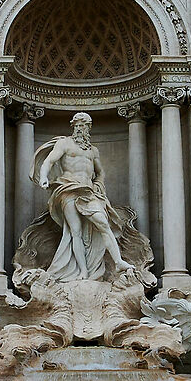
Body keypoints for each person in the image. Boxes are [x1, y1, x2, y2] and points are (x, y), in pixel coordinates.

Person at [32, 113, 128, 282]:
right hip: (68, 188)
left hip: (88, 192)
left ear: (88, 128)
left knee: (103, 223)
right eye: (76, 125)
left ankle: (118, 261)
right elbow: (49, 161)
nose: (79, 128)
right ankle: (83, 270)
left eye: (83, 125)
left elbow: (100, 172)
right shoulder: (64, 143)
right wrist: (44, 177)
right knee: (75, 231)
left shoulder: (93, 151)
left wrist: (99, 184)